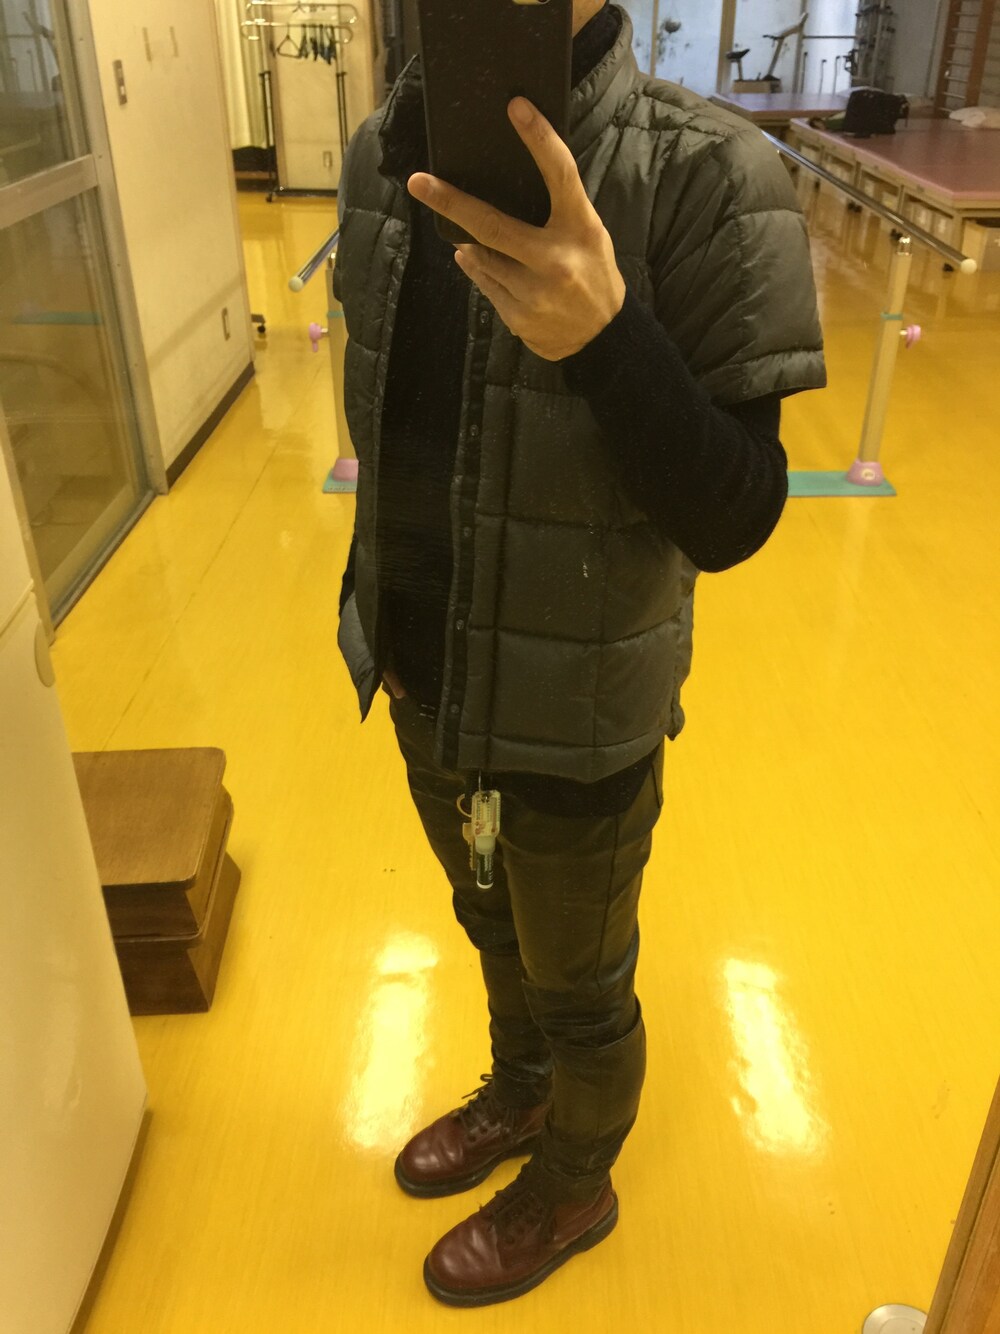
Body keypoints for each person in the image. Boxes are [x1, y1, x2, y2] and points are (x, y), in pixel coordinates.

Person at [333, 0, 825, 1309]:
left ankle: (574, 1177)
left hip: (579, 705)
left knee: (584, 986)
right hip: (421, 663)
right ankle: (522, 1085)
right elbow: (388, 418)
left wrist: (609, 338)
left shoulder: (713, 176)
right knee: (485, 917)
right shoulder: (383, 155)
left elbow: (738, 513)